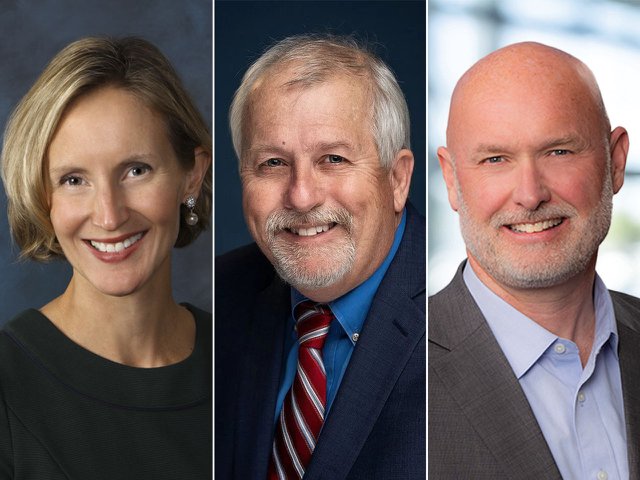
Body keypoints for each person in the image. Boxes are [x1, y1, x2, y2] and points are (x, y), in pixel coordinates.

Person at [0, 37, 212, 479]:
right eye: (74, 179)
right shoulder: (8, 384)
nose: (109, 215)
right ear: (44, 197)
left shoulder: (247, 360)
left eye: (136, 170)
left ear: (191, 176)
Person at [216, 34, 425, 479]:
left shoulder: (455, 305)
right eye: (272, 163)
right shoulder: (217, 298)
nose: (301, 196)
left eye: (332, 158)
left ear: (397, 179)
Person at [430, 41, 639, 479]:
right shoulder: (402, 368)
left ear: (615, 162)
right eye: (495, 159)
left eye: (558, 151)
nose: (529, 195)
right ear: (451, 180)